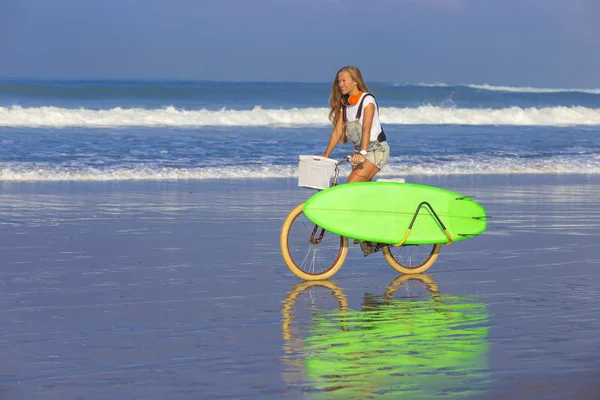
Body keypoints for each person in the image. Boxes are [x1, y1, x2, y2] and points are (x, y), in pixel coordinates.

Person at [322, 66, 390, 183]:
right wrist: (326, 154)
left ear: (355, 81)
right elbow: (337, 132)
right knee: (363, 189)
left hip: (376, 151)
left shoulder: (367, 101)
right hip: (358, 153)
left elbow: (366, 129)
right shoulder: (346, 105)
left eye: (344, 81)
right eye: (339, 81)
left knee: (352, 183)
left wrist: (363, 153)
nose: (340, 84)